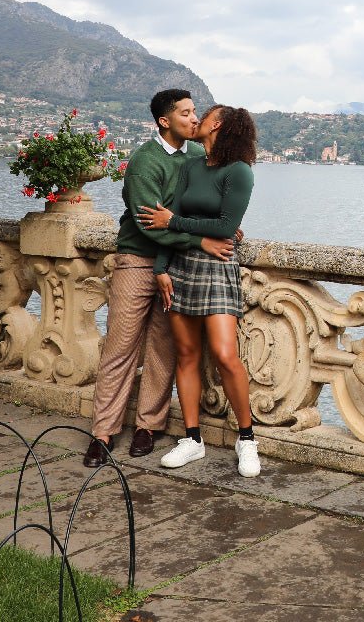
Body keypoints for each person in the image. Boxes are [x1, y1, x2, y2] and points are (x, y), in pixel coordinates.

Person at [82, 89, 237, 468]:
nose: (194, 118)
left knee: (163, 349)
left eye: (195, 111)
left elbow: (207, 202)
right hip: (138, 259)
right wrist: (201, 239)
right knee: (120, 346)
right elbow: (149, 224)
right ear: (165, 121)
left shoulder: (198, 155)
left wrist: (224, 224)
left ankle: (148, 426)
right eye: (186, 113)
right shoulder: (145, 162)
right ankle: (103, 432)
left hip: (179, 264)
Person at [137, 104, 261, 478]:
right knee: (187, 355)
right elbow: (163, 222)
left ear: (217, 124)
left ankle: (247, 439)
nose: (198, 119)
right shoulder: (191, 166)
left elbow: (224, 226)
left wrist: (176, 221)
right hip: (180, 265)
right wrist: (161, 268)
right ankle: (193, 439)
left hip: (217, 266)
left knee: (225, 355)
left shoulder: (239, 171)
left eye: (204, 115)